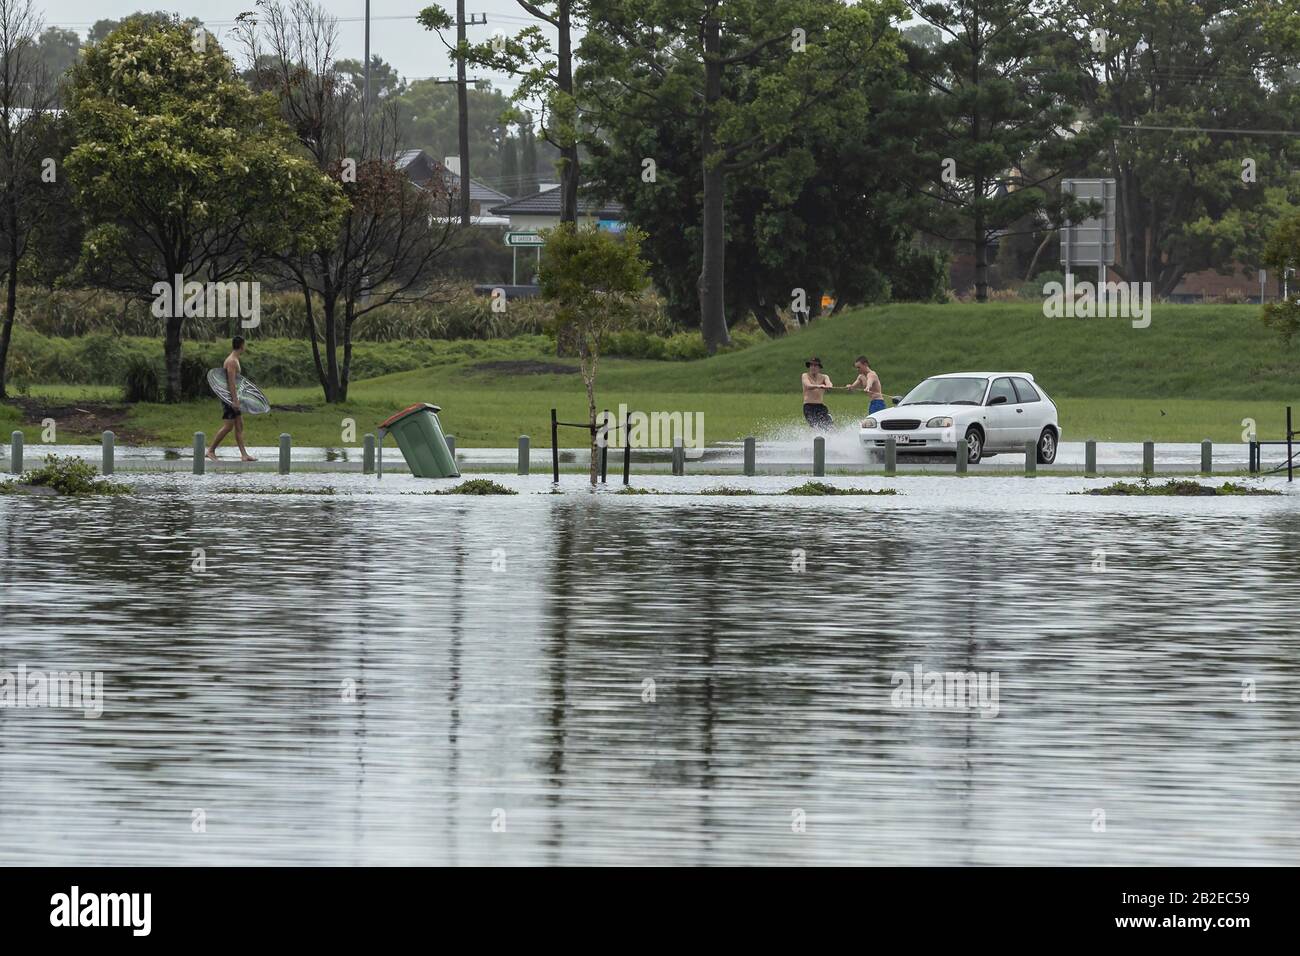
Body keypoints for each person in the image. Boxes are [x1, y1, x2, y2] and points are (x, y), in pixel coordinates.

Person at [207, 336, 257, 462]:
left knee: (239, 425)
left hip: (234, 398)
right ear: (241, 345)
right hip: (229, 399)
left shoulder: (235, 359)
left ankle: (244, 455)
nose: (245, 347)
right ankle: (211, 450)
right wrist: (234, 401)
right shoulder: (232, 361)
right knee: (228, 426)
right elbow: (231, 382)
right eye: (244, 345)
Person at [801, 358, 834, 431]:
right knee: (817, 427)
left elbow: (829, 383)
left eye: (815, 365)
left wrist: (829, 386)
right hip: (809, 407)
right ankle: (817, 440)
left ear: (819, 367)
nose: (813, 367)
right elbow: (807, 385)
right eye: (811, 365)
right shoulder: (805, 375)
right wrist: (818, 386)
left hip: (820, 407)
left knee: (829, 427)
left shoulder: (824, 377)